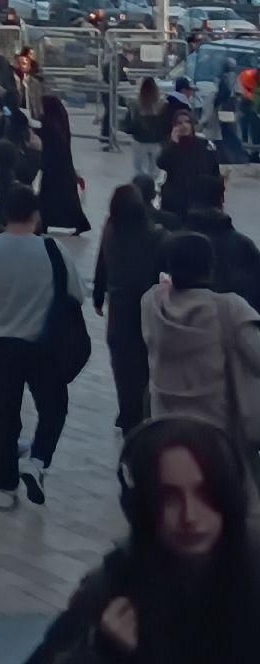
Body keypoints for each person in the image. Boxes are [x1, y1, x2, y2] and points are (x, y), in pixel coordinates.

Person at [24, 416, 260, 664]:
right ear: (143, 505)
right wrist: (101, 654)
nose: (189, 515)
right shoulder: (118, 582)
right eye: (169, 497)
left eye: (205, 494)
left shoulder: (252, 575)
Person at [0, 183, 85, 508]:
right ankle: (38, 460)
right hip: (44, 345)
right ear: (36, 214)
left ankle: (5, 488)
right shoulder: (52, 250)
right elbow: (77, 294)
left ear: (2, 213)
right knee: (53, 407)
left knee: (4, 416)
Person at [142, 230, 260, 451]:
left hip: (165, 434)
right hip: (218, 437)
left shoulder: (152, 304)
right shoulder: (229, 308)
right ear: (210, 267)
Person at [92, 182, 166, 434]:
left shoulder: (110, 229)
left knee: (123, 369)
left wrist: (98, 294)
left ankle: (127, 414)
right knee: (145, 367)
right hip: (146, 310)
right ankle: (142, 414)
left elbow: (101, 261)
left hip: (119, 311)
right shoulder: (156, 234)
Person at [181, 176, 260, 310]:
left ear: (190, 200)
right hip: (231, 326)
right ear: (221, 200)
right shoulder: (243, 246)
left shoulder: (171, 243)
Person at [157, 107, 222, 221]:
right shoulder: (171, 144)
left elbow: (214, 169)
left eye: (187, 122)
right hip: (177, 196)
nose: (184, 125)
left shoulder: (203, 144)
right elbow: (162, 163)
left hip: (199, 196)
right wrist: (173, 143)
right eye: (180, 123)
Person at [38, 93, 90, 235]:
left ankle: (44, 223)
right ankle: (78, 223)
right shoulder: (60, 121)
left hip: (52, 167)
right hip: (64, 166)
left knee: (47, 197)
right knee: (68, 198)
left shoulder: (48, 123)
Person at [126, 74, 168, 178]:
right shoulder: (163, 104)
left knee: (139, 171)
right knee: (155, 171)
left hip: (139, 141)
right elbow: (166, 124)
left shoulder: (135, 103)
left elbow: (128, 124)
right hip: (157, 142)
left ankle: (141, 189)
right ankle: (153, 189)